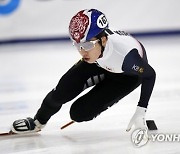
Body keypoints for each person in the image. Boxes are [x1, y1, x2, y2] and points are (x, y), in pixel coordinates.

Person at [11, 9, 156, 134]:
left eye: (86, 45)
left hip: (126, 77)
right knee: (60, 93)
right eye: (77, 45)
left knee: (78, 114)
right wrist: (89, 47)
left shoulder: (127, 57)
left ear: (103, 40)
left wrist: (140, 111)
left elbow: (150, 75)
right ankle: (37, 122)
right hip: (98, 62)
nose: (82, 51)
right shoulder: (91, 52)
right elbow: (89, 52)